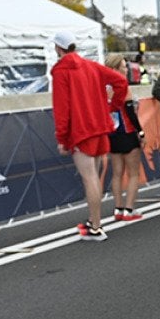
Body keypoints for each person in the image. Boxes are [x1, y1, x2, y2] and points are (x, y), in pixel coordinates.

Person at [50, 31, 129, 241]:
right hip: (99, 126)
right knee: (94, 176)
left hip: (81, 131)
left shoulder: (61, 71)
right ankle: (95, 222)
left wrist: (61, 138)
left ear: (58, 48)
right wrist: (113, 105)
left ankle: (96, 226)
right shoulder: (91, 66)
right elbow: (121, 81)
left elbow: (62, 108)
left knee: (90, 178)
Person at [104, 53, 145, 221]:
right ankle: (129, 209)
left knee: (117, 173)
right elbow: (129, 112)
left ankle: (118, 208)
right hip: (127, 132)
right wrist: (140, 131)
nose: (126, 69)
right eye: (123, 66)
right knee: (133, 172)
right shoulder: (122, 85)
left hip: (112, 133)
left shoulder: (104, 87)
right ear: (115, 68)